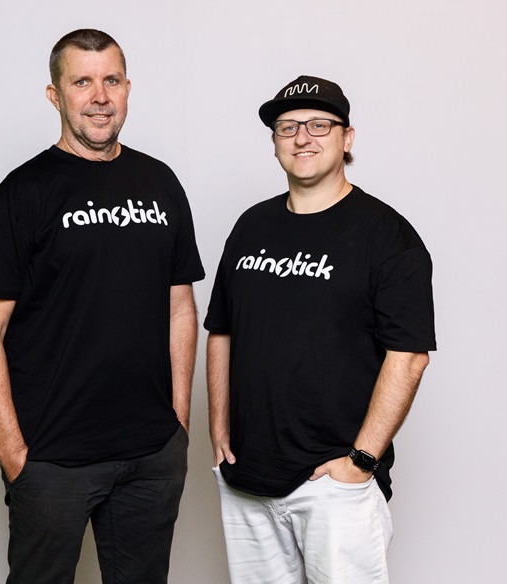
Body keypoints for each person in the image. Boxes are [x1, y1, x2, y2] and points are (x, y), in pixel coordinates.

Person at [0, 28, 205, 584]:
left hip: (150, 456)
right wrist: (15, 456)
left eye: (111, 81)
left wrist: (177, 426)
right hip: (52, 460)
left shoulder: (160, 183)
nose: (100, 96)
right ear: (55, 94)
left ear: (127, 89)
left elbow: (180, 310)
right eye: (82, 82)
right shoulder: (20, 195)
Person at [204, 75, 436, 583]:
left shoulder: (387, 236)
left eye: (317, 125)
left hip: (334, 484)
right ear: (274, 142)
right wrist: (218, 427)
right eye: (287, 127)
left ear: (347, 137)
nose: (301, 137)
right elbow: (220, 330)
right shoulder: (250, 226)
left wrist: (361, 460)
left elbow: (410, 356)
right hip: (246, 477)